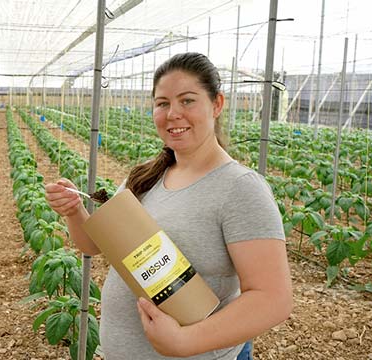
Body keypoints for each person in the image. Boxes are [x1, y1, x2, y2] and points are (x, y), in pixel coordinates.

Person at [45, 52, 292, 360]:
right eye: (162, 103)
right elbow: (95, 245)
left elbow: (273, 299)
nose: (173, 113)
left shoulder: (240, 188)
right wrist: (74, 212)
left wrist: (184, 342)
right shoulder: (147, 176)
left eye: (187, 100)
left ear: (217, 104)